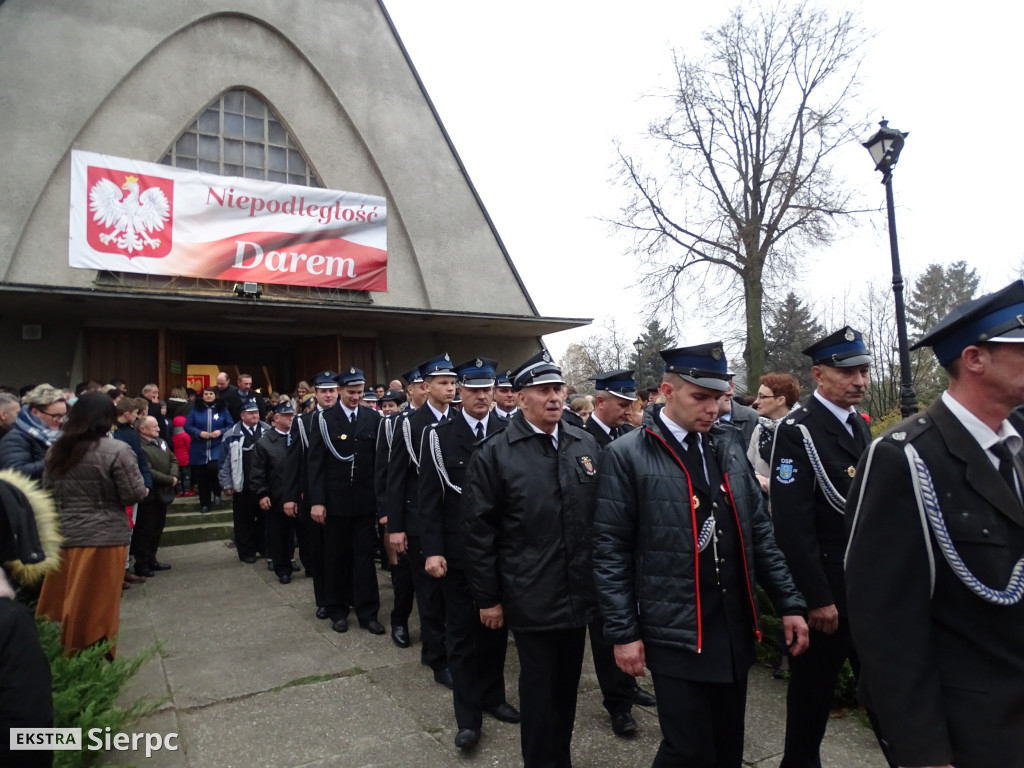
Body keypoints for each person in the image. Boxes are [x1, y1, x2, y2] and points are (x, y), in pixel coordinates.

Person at [593, 342, 809, 768]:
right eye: (701, 397)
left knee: (727, 742)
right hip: (674, 628)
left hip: (731, 623)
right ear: (667, 391)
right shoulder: (628, 454)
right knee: (686, 747)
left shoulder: (727, 446)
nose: (713, 409)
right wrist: (623, 633)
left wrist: (789, 602)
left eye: (720, 397)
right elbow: (610, 550)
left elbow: (758, 534)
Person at [846, 281, 1024, 768]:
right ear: (974, 358)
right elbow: (886, 624)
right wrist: (923, 752)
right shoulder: (904, 457)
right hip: (972, 727)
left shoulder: (1018, 442)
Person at [463, 350, 599, 768]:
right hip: (530, 596)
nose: (555, 398)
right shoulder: (495, 453)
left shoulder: (583, 443)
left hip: (578, 594)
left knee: (566, 691)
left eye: (559, 388)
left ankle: (561, 758)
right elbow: (479, 533)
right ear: (521, 398)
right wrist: (488, 598)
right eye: (544, 390)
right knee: (540, 695)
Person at [768, 327, 884, 768]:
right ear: (819, 374)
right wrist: (816, 597)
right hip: (829, 596)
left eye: (864, 370)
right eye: (848, 371)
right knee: (811, 700)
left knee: (887, 693)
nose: (860, 380)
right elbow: (793, 527)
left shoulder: (858, 425)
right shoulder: (798, 431)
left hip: (867, 591)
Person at [419, 357, 519, 750]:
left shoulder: (508, 431)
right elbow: (429, 500)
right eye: (474, 389)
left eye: (487, 389)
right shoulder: (438, 436)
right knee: (460, 636)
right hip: (458, 554)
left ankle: (494, 698)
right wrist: (432, 550)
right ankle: (468, 718)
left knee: (496, 634)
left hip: (498, 554)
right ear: (459, 391)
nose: (481, 396)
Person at [35, 393, 147, 655]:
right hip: (103, 537)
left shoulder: (57, 450)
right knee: (98, 606)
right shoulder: (116, 450)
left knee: (66, 599)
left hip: (64, 534)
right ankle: (94, 658)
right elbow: (133, 493)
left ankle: (63, 654)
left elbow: (46, 491)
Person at [581, 370, 657, 735]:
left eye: (632, 404)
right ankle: (617, 704)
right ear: (600, 402)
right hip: (599, 549)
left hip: (632, 547)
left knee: (633, 622)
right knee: (607, 628)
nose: (629, 410)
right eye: (622, 403)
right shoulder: (580, 439)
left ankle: (630, 684)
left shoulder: (632, 437)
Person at [385, 355, 454, 681]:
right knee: (427, 592)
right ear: (426, 387)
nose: (450, 388)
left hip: (451, 520)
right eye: (443, 383)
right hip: (416, 521)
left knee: (451, 592)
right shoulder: (409, 423)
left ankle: (451, 649)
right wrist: (395, 527)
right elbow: (396, 478)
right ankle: (436, 657)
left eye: (454, 383)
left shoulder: (458, 419)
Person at [307, 367, 384, 634]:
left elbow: (378, 464)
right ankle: (337, 610)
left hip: (363, 502)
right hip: (335, 502)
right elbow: (315, 464)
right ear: (339, 390)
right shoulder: (324, 419)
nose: (356, 397)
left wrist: (380, 502)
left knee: (364, 559)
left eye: (360, 393)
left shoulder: (372, 419)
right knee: (336, 558)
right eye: (351, 392)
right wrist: (317, 501)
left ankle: (368, 612)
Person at [283, 371, 339, 619]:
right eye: (323, 390)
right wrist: (290, 496)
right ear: (315, 393)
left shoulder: (346, 418)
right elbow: (294, 461)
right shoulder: (303, 422)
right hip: (314, 496)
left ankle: (344, 597)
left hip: (342, 497)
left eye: (332, 390)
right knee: (320, 552)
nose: (328, 395)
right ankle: (325, 600)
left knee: (343, 551)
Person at [374, 371, 419, 648]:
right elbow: (384, 472)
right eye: (420, 386)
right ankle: (400, 621)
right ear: (411, 390)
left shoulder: (447, 419)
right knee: (404, 573)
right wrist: (386, 510)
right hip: (405, 507)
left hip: (434, 511)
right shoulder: (394, 423)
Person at [218, 400, 270, 564]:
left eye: (256, 412)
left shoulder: (268, 431)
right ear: (242, 416)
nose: (255, 415)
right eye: (250, 413)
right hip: (242, 484)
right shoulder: (231, 434)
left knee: (265, 518)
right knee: (243, 520)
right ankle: (247, 552)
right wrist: (226, 484)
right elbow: (223, 462)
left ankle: (264, 547)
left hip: (264, 484)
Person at [251, 402, 298, 584]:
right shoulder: (265, 442)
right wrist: (262, 494)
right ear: (276, 418)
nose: (291, 419)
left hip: (298, 494)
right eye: (287, 416)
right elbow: (257, 472)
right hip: (277, 495)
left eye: (292, 415)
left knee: (302, 534)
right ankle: (282, 568)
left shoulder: (297, 438)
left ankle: (307, 564)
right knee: (279, 535)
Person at [133, 415, 177, 577]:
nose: (158, 429)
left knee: (158, 528)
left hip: (164, 492)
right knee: (146, 530)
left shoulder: (162, 442)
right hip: (150, 495)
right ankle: (142, 563)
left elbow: (173, 459)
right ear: (142, 429)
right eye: (154, 427)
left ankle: (152, 559)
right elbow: (148, 470)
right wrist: (168, 479)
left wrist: (173, 477)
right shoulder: (139, 446)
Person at [0, 384, 66, 480]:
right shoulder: (15, 438)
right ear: (35, 412)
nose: (61, 421)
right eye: (56, 416)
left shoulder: (56, 434)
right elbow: (15, 472)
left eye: (63, 415)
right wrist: (56, 460)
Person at [748, 374, 801, 494]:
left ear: (780, 400)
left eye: (762, 397)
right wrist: (755, 478)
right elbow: (748, 466)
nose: (756, 402)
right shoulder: (760, 429)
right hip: (762, 506)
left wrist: (767, 483)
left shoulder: (802, 429)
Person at [185, 386, 233, 513]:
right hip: (199, 447)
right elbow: (188, 426)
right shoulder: (195, 409)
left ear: (215, 395)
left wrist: (220, 432)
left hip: (216, 446)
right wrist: (199, 433)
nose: (208, 396)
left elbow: (230, 425)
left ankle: (217, 492)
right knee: (201, 477)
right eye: (206, 394)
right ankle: (204, 503)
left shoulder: (222, 409)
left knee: (213, 469)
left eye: (211, 394)